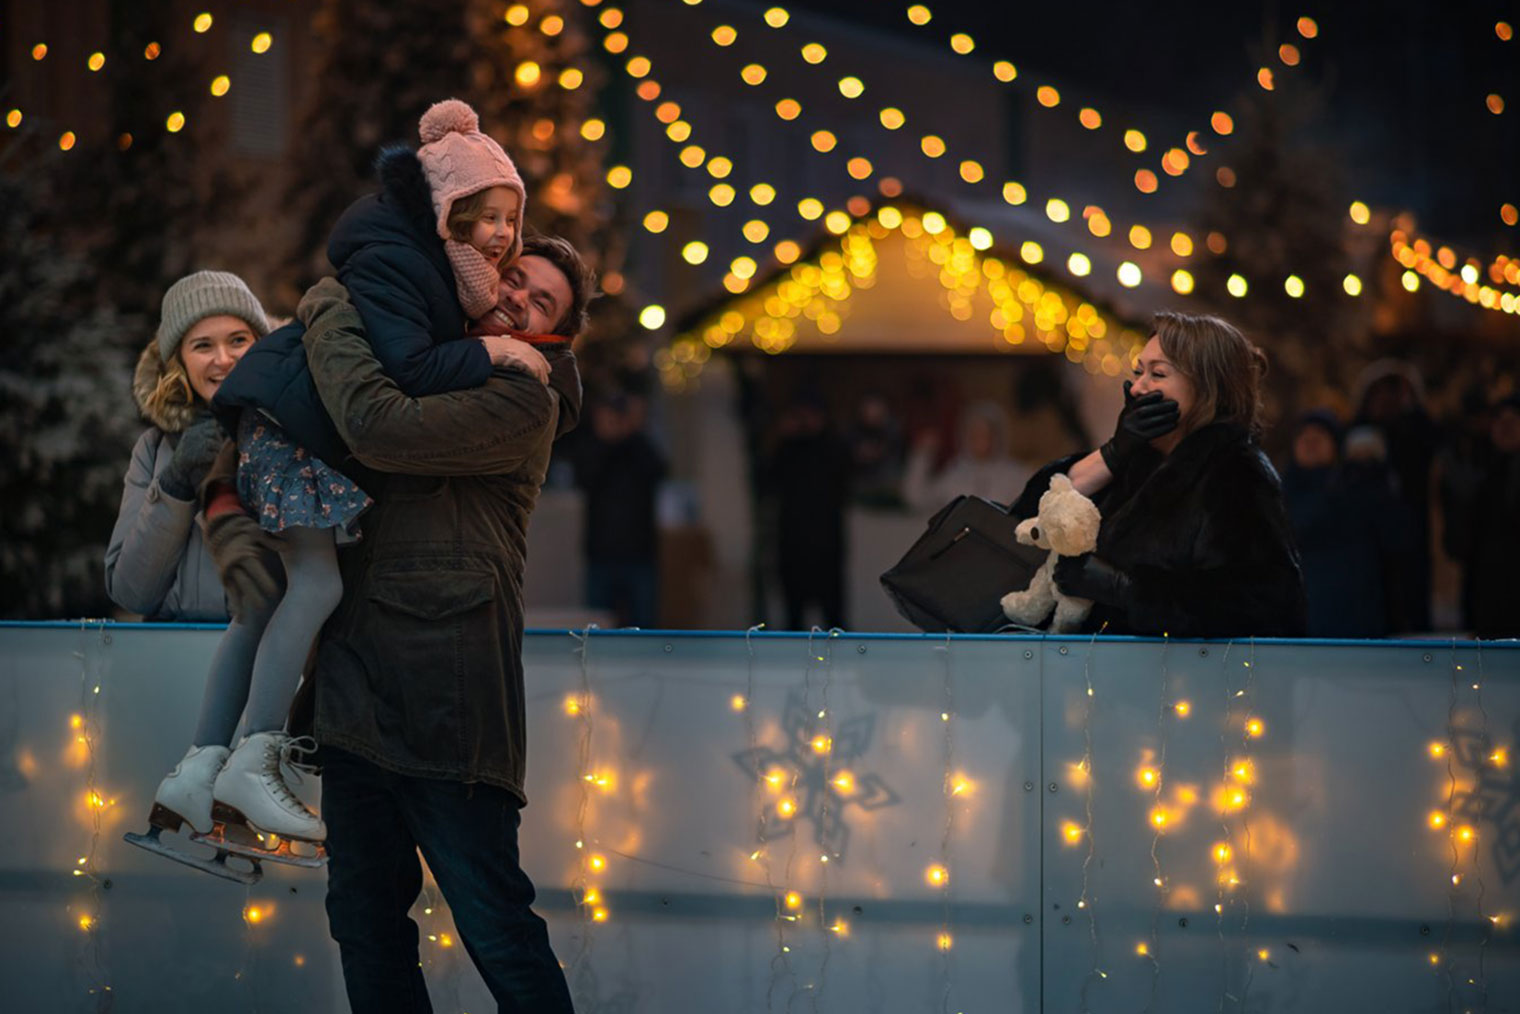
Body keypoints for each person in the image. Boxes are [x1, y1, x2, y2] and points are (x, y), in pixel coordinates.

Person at [151, 99, 547, 854]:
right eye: (485, 215)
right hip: (292, 430)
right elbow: (409, 369)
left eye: (509, 219)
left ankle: (198, 771)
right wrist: (497, 353)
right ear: (447, 207)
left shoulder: (433, 263)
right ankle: (256, 753)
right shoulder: (406, 261)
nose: (499, 235)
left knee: (266, 607)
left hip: (278, 423)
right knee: (318, 587)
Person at [255, 231, 590, 1013]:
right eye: (515, 278)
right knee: (364, 924)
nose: (518, 299)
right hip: (354, 687)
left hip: (454, 697)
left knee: (495, 924)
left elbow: (375, 426)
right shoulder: (419, 352)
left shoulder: (524, 399)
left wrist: (334, 301)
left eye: (542, 301)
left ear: (554, 335)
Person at [1011, 311, 1306, 638]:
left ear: (1207, 386)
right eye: (1138, 372)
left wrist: (1124, 588)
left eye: (1158, 374)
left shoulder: (1236, 472)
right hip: (1098, 672)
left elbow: (1263, 603)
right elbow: (1025, 521)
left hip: (1180, 682)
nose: (1137, 388)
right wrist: (1114, 453)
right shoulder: (1138, 462)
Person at [106, 271, 271, 623]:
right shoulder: (153, 450)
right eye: (203, 345)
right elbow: (132, 593)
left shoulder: (296, 436)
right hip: (173, 655)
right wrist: (176, 483)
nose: (223, 359)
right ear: (178, 360)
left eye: (238, 340)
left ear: (261, 344)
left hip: (273, 659)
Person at [1281, 410, 1416, 637]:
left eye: (1320, 435)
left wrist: (1375, 474)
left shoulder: (1359, 486)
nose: (1311, 442)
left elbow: (1397, 537)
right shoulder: (1280, 493)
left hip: (1360, 617)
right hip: (1303, 619)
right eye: (1304, 436)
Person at [571, 391, 667, 627]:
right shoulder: (590, 447)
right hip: (601, 552)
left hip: (639, 552)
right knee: (597, 626)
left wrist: (632, 432)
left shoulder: (639, 448)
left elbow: (659, 470)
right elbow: (585, 477)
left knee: (644, 625)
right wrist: (607, 440)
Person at [768, 392, 852, 629]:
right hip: (793, 543)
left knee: (833, 618)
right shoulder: (788, 450)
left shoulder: (833, 448)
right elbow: (769, 481)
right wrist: (784, 437)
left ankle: (838, 665)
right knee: (793, 617)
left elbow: (843, 480)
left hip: (825, 544)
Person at [1452, 394, 1520, 638]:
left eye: (1513, 419)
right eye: (1499, 420)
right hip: (1490, 596)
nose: (1505, 426)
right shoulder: (1481, 470)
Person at [904, 400, 1032, 511]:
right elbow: (918, 499)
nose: (980, 441)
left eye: (985, 434)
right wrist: (922, 456)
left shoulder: (1016, 475)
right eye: (974, 435)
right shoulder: (954, 474)